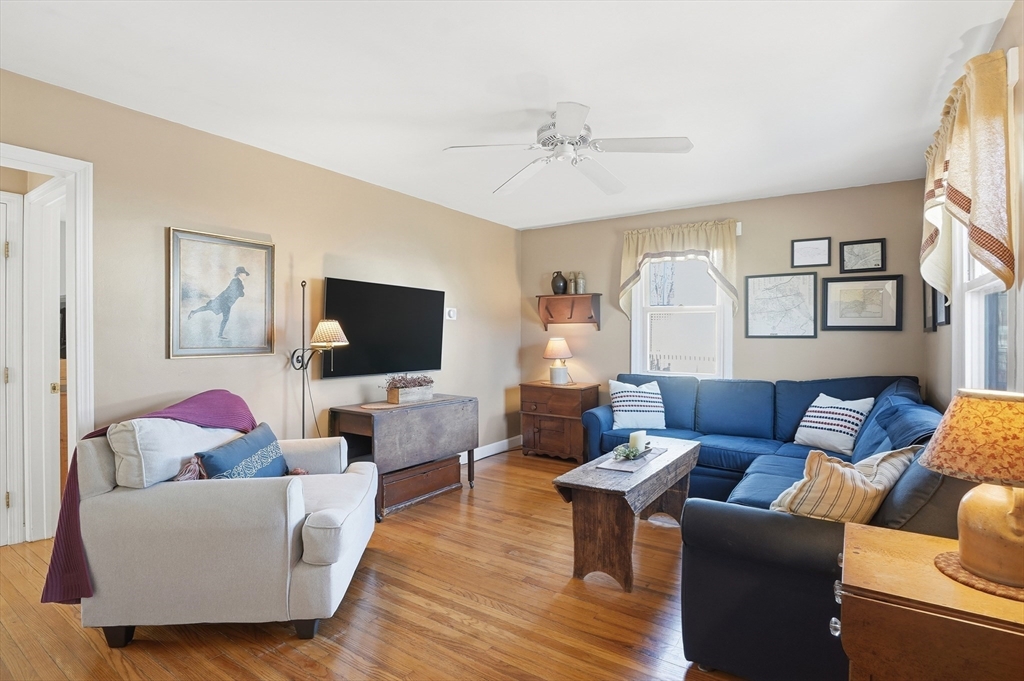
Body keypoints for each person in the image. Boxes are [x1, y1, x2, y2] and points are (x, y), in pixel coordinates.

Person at [188, 266, 249, 339]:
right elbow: (233, 291)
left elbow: (237, 292)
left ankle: (194, 312)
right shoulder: (236, 281)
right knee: (221, 315)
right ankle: (220, 335)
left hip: (225, 301)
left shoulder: (239, 281)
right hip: (225, 301)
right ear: (240, 274)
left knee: (209, 308)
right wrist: (240, 293)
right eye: (244, 273)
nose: (245, 275)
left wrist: (240, 293)